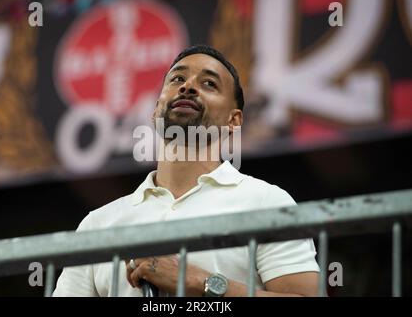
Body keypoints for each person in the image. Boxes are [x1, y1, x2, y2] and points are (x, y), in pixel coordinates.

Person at [53, 45, 320, 297]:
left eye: (209, 84)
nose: (188, 87)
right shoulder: (97, 224)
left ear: (234, 120)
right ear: (156, 109)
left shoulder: (268, 203)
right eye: (177, 79)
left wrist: (201, 283)